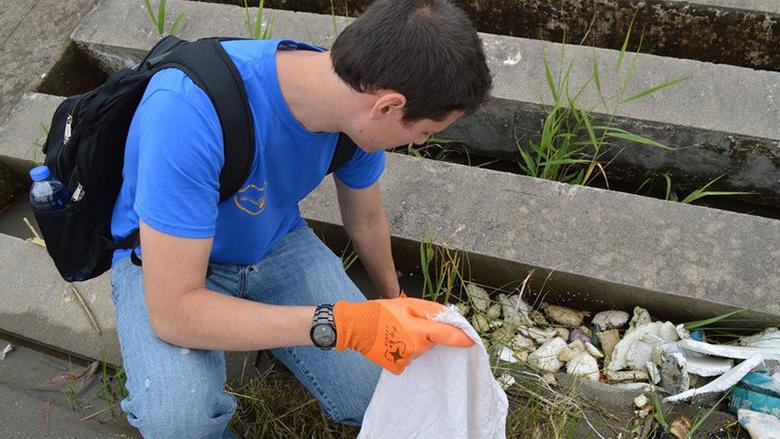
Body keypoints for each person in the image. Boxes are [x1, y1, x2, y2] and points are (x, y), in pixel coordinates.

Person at [109, 0, 493, 437]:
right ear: (387, 105)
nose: (419, 143)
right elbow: (175, 313)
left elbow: (365, 219)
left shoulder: (349, 107)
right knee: (178, 419)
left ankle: (272, 332)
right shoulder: (187, 113)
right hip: (165, 266)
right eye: (424, 132)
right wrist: (341, 324)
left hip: (273, 242)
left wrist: (391, 303)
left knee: (386, 388)